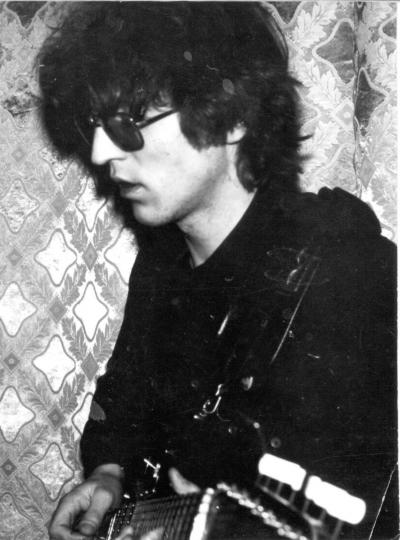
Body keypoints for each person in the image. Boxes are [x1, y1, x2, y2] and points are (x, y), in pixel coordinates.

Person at [38, 3, 397, 539]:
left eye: (130, 121)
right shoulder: (162, 262)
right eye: (96, 123)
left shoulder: (349, 275)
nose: (100, 150)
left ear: (233, 117)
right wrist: (111, 472)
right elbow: (124, 401)